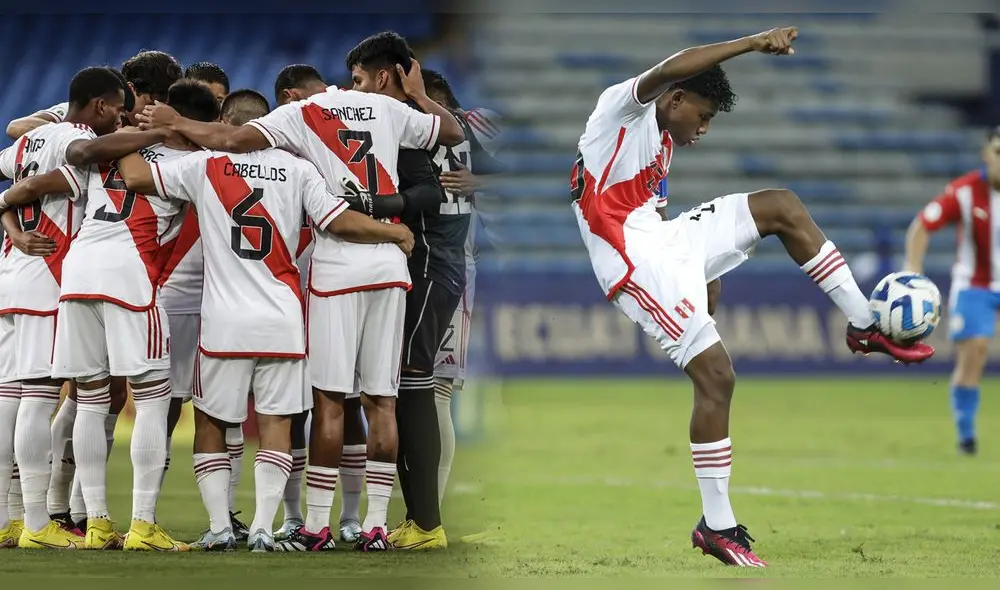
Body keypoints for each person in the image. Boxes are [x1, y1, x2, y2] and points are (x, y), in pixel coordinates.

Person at [570, 28, 935, 568]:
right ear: (675, 98)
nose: (704, 128)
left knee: (780, 206)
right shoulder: (617, 112)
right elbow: (675, 66)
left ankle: (863, 323)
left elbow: (659, 217)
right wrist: (751, 44)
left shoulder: (663, 143)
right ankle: (716, 525)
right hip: (630, 259)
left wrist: (705, 268)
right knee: (718, 377)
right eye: (704, 114)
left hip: (662, 241)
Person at [135, 52, 460, 551]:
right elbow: (450, 137)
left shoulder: (219, 159)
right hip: (326, 298)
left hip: (277, 298)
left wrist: (162, 125)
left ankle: (292, 524)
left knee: (302, 408)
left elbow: (167, 165)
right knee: (377, 402)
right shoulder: (355, 127)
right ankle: (364, 523)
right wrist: (394, 234)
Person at [0, 66, 171, 549]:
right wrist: (161, 130)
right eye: (118, 109)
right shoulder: (76, 137)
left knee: (10, 400)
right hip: (46, 274)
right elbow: (57, 172)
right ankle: (36, 524)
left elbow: (9, 185)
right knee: (35, 400)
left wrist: (10, 228)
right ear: (100, 106)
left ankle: (10, 519)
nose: (122, 118)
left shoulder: (30, 141)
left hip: (13, 272)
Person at [904, 126, 1000, 456]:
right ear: (986, 156)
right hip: (975, 284)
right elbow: (921, 226)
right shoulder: (964, 192)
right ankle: (967, 435)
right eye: (998, 152)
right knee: (975, 351)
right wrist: (913, 273)